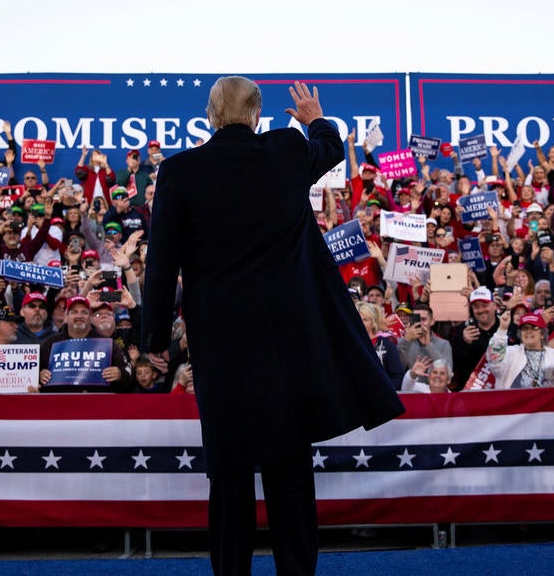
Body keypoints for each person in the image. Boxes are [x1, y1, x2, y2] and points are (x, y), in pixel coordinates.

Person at [141, 78, 404, 576]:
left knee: (230, 473)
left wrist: (153, 338)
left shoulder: (179, 171)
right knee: (290, 472)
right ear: (259, 114)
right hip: (288, 343)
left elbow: (161, 265)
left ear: (211, 115)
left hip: (221, 346)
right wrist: (313, 117)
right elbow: (327, 147)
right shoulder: (285, 148)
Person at [480, 311, 554, 389]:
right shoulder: (511, 352)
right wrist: (502, 329)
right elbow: (494, 360)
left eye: (534, 328)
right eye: (525, 328)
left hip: (546, 411)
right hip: (515, 411)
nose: (528, 331)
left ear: (542, 334)